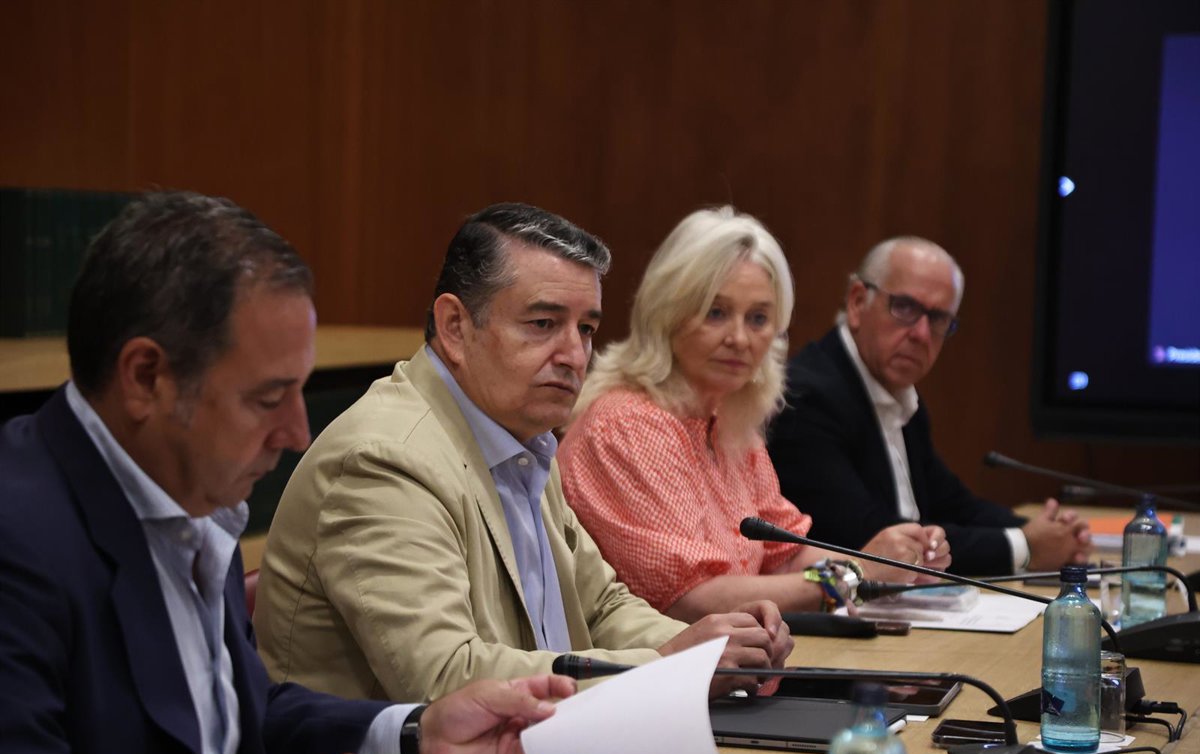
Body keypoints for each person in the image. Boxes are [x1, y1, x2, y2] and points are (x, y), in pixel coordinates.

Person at [0, 191, 577, 754]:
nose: (298, 434)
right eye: (268, 398)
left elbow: (238, 715)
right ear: (146, 377)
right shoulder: (19, 534)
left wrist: (414, 732)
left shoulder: (193, 496)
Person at [254, 202, 792, 704]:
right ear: (455, 327)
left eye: (586, 329)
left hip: (533, 745)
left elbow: (600, 606)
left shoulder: (522, 436)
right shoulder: (384, 460)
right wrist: (667, 666)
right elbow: (445, 678)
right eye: (543, 324)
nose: (575, 355)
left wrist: (716, 646)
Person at [556, 207, 950, 621]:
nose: (740, 338)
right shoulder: (627, 425)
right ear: (667, 312)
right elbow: (690, 601)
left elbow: (786, 556)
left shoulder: (728, 421)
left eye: (758, 318)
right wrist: (856, 574)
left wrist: (890, 562)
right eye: (716, 312)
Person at [768, 236, 1092, 576]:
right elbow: (869, 538)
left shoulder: (899, 395)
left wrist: (1047, 532)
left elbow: (953, 504)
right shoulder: (806, 397)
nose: (921, 334)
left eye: (938, 318)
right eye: (905, 307)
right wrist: (1025, 547)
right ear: (858, 302)